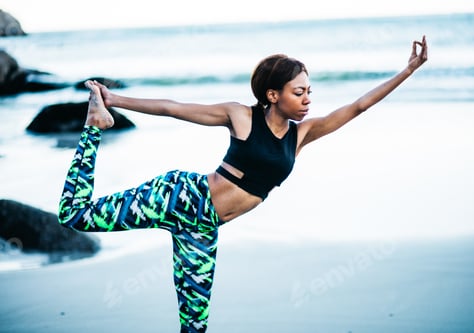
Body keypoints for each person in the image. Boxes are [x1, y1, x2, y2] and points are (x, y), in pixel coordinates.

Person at [58, 36, 428, 332]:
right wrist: (114, 99)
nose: (307, 99)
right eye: (299, 92)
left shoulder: (301, 135)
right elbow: (174, 107)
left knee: (195, 324)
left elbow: (358, 106)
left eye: (309, 92)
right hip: (181, 197)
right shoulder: (241, 116)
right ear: (273, 95)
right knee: (73, 216)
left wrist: (407, 70)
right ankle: (95, 126)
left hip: (202, 231)